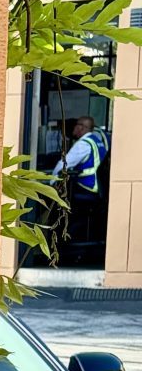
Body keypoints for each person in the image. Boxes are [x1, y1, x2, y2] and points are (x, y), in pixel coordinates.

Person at [55, 112, 110, 265]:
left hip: (86, 190)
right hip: (97, 191)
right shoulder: (97, 141)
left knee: (60, 210)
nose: (74, 127)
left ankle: (65, 249)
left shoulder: (82, 144)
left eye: (77, 124)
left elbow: (63, 165)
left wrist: (52, 181)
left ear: (82, 128)